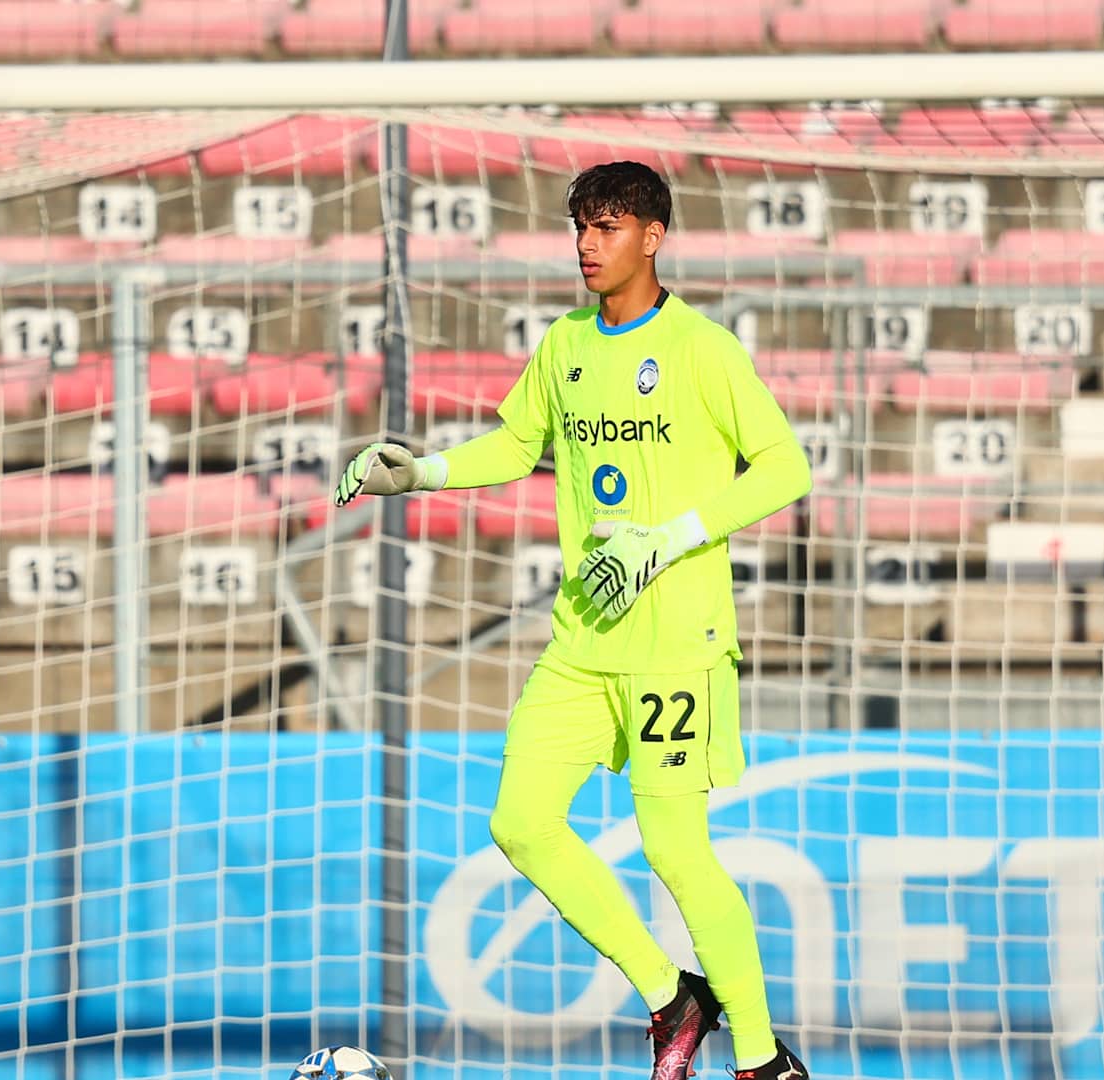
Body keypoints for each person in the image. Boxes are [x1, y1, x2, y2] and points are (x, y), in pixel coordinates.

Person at [331, 160, 813, 1080]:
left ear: (653, 237)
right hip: (583, 640)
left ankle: (760, 1061)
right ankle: (671, 995)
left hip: (676, 644)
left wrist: (667, 540)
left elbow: (786, 467)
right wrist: (421, 471)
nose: (588, 246)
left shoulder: (702, 349)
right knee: (520, 822)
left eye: (608, 227)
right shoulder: (564, 345)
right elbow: (518, 444)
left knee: (676, 849)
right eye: (581, 227)